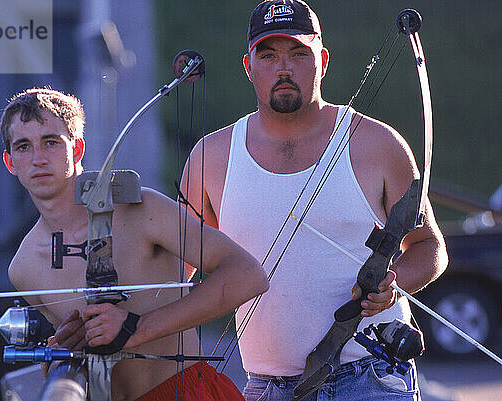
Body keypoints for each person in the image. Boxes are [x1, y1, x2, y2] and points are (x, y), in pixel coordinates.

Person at [180, 1, 448, 400]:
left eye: (298, 53)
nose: (283, 69)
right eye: (268, 55)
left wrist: (394, 284)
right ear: (248, 67)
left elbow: (429, 248)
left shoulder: (377, 143)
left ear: (322, 61)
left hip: (371, 377)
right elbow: (174, 270)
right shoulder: (211, 157)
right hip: (266, 384)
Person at [0, 87, 269, 401]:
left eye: (50, 142)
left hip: (187, 392)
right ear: (10, 162)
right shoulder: (24, 268)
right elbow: (91, 361)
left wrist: (134, 328)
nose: (38, 158)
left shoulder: (143, 210)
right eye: (23, 146)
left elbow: (248, 275)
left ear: (76, 150)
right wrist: (64, 355)